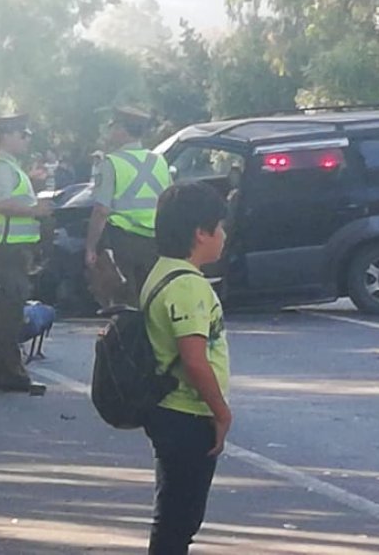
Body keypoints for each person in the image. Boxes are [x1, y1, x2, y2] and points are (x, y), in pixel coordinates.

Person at [141, 181, 231, 554]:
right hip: (187, 413)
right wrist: (221, 413)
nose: (223, 235)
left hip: (170, 411)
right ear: (200, 233)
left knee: (175, 514)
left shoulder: (162, 271)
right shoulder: (188, 286)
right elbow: (194, 359)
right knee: (180, 519)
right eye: (220, 227)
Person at [0, 114, 53, 395]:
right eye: (23, 134)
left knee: (2, 314)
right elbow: (1, 203)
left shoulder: (8, 165)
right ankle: (12, 375)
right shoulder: (0, 166)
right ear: (7, 136)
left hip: (10, 250)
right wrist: (37, 210)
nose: (27, 139)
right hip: (6, 250)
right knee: (9, 317)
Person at [85, 106, 171, 308]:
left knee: (125, 302)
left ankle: (128, 338)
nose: (111, 131)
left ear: (122, 129)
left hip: (124, 242)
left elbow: (101, 210)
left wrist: (90, 247)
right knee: (152, 298)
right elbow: (170, 199)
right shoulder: (159, 161)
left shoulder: (112, 163)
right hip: (156, 241)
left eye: (113, 126)